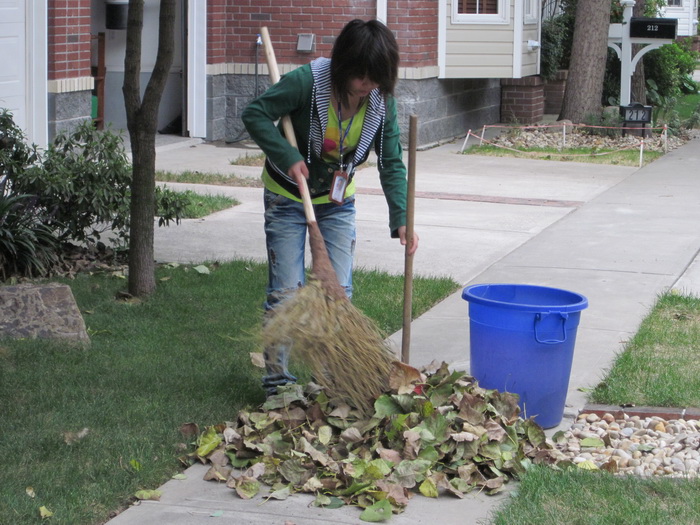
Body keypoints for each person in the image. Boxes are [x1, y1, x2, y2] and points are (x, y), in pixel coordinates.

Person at [242, 18, 419, 395]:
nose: (366, 85)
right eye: (360, 76)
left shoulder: (381, 101)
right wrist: (287, 154)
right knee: (285, 293)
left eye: (375, 78)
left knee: (339, 292)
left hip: (337, 203)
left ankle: (333, 378)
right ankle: (278, 383)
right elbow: (255, 114)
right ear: (343, 66)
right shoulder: (308, 82)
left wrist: (402, 217)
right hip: (288, 196)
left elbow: (391, 161)